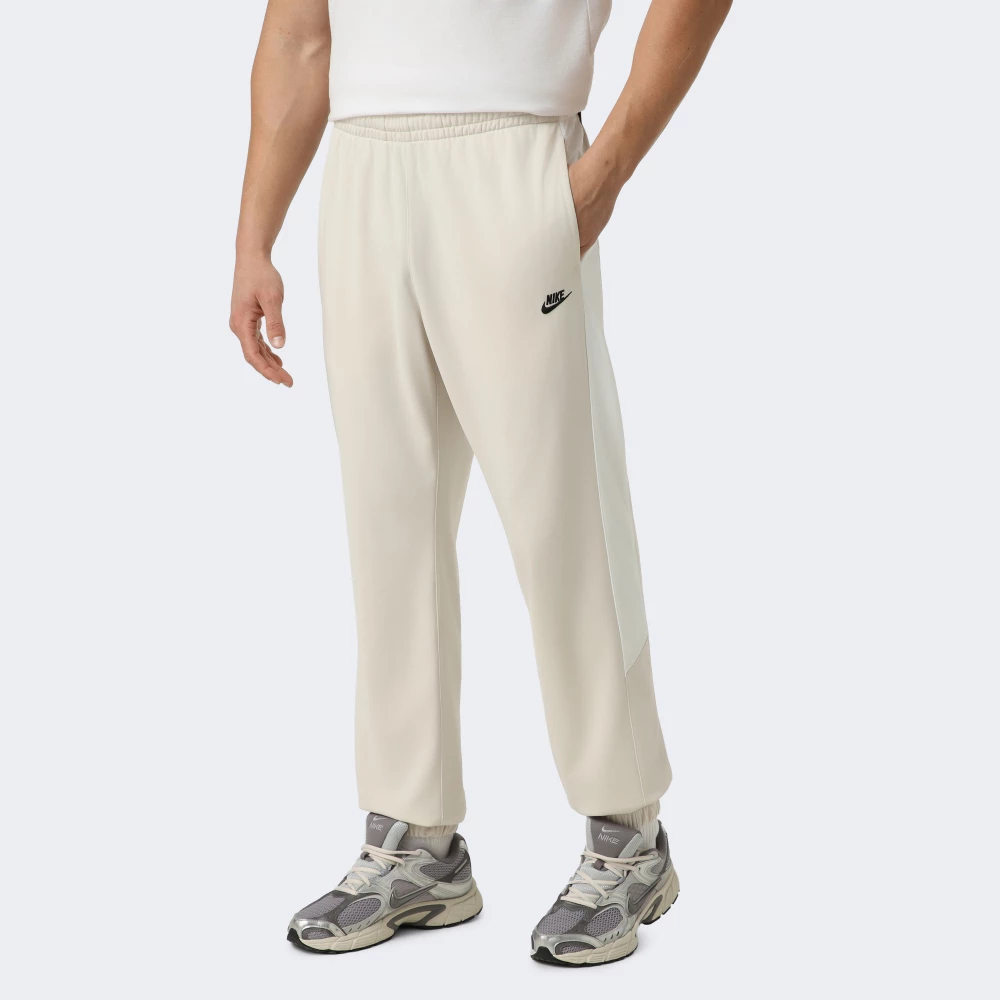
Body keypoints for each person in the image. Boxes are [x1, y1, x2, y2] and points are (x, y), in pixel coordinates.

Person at [230, 0, 731, 966]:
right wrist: (256, 236)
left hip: (517, 150)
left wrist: (610, 165)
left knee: (562, 512)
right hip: (363, 165)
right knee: (389, 525)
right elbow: (298, 33)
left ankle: (629, 836)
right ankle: (415, 841)